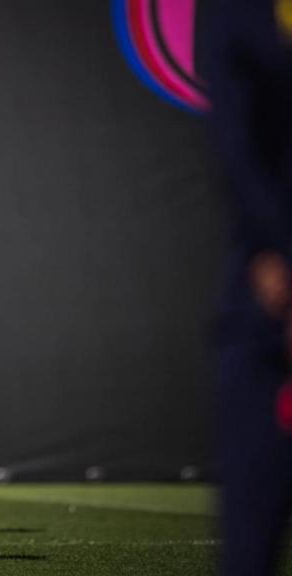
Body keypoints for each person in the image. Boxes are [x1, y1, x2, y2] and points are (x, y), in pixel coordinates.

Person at [208, 1, 292, 574]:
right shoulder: (234, 12)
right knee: (249, 545)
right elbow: (234, 134)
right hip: (264, 306)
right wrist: (272, 250)